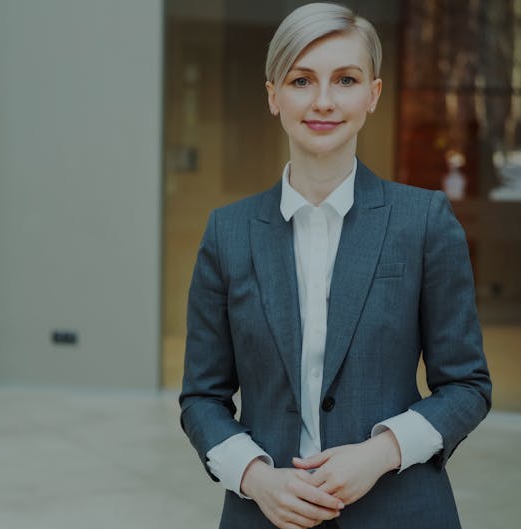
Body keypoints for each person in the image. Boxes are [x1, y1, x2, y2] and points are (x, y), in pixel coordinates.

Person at [178, 3, 492, 529]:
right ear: (274, 96)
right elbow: (201, 398)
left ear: (372, 95)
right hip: (264, 514)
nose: (323, 100)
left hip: (401, 509)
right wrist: (257, 477)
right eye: (302, 80)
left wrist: (379, 453)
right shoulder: (227, 234)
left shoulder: (425, 221)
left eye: (345, 79)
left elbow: (467, 387)